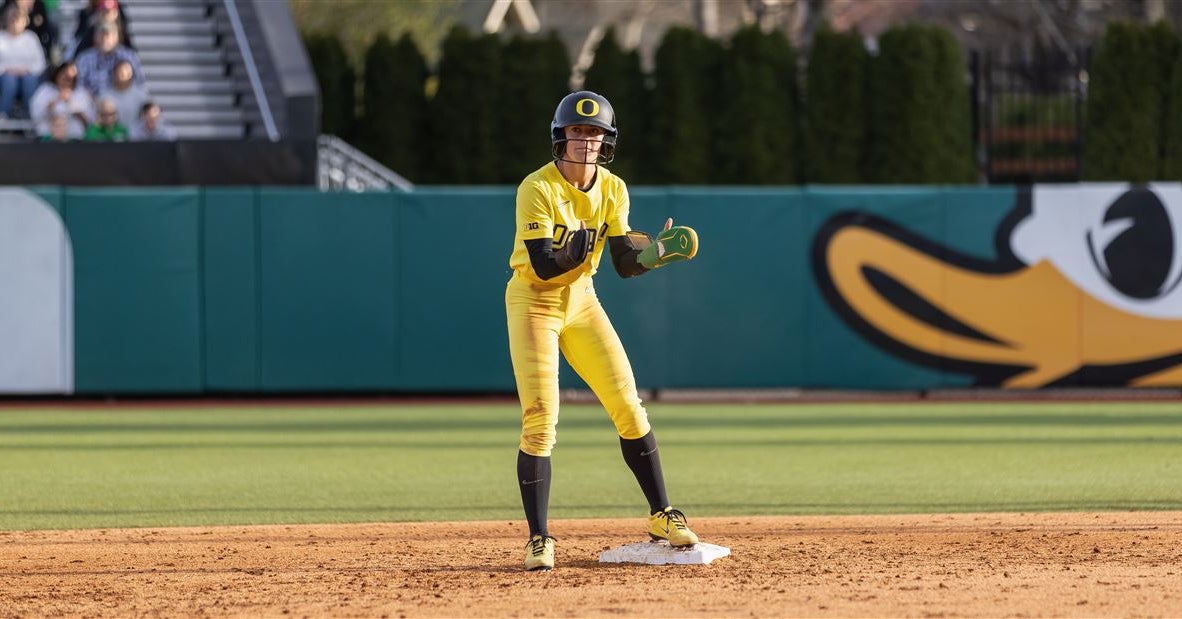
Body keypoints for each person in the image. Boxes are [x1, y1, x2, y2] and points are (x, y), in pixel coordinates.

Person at [506, 90, 702, 571]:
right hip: (535, 301)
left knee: (628, 403)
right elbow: (543, 265)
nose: (585, 141)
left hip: (583, 301)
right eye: (577, 132)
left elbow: (621, 263)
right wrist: (571, 254)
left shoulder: (613, 188)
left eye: (594, 133)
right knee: (540, 416)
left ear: (606, 141)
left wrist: (652, 255)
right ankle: (539, 538)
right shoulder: (538, 187)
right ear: (561, 138)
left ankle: (662, 514)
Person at [73, 19, 141, 96]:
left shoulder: (129, 56)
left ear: (116, 37)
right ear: (95, 36)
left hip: (121, 101)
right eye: (101, 34)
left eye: (108, 34)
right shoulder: (84, 58)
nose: (105, 38)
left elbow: (139, 83)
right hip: (91, 103)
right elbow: (78, 85)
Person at [0, 3, 45, 118]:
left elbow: (40, 63)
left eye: (18, 19)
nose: (15, 22)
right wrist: (7, 70)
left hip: (28, 75)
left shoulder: (31, 38)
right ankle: (3, 115)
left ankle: (30, 115)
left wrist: (26, 70)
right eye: (12, 19)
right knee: (9, 81)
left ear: (25, 21)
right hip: (4, 76)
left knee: (29, 80)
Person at [29, 60, 91, 138]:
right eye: (64, 77)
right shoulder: (45, 90)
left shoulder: (81, 93)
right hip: (48, 138)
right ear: (57, 75)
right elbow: (36, 116)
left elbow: (89, 122)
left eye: (70, 79)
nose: (66, 81)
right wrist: (54, 103)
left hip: (75, 139)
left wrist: (71, 105)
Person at [97, 58, 144, 127]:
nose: (123, 75)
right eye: (120, 72)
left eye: (126, 72)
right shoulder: (104, 96)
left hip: (135, 136)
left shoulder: (141, 96)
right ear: (114, 74)